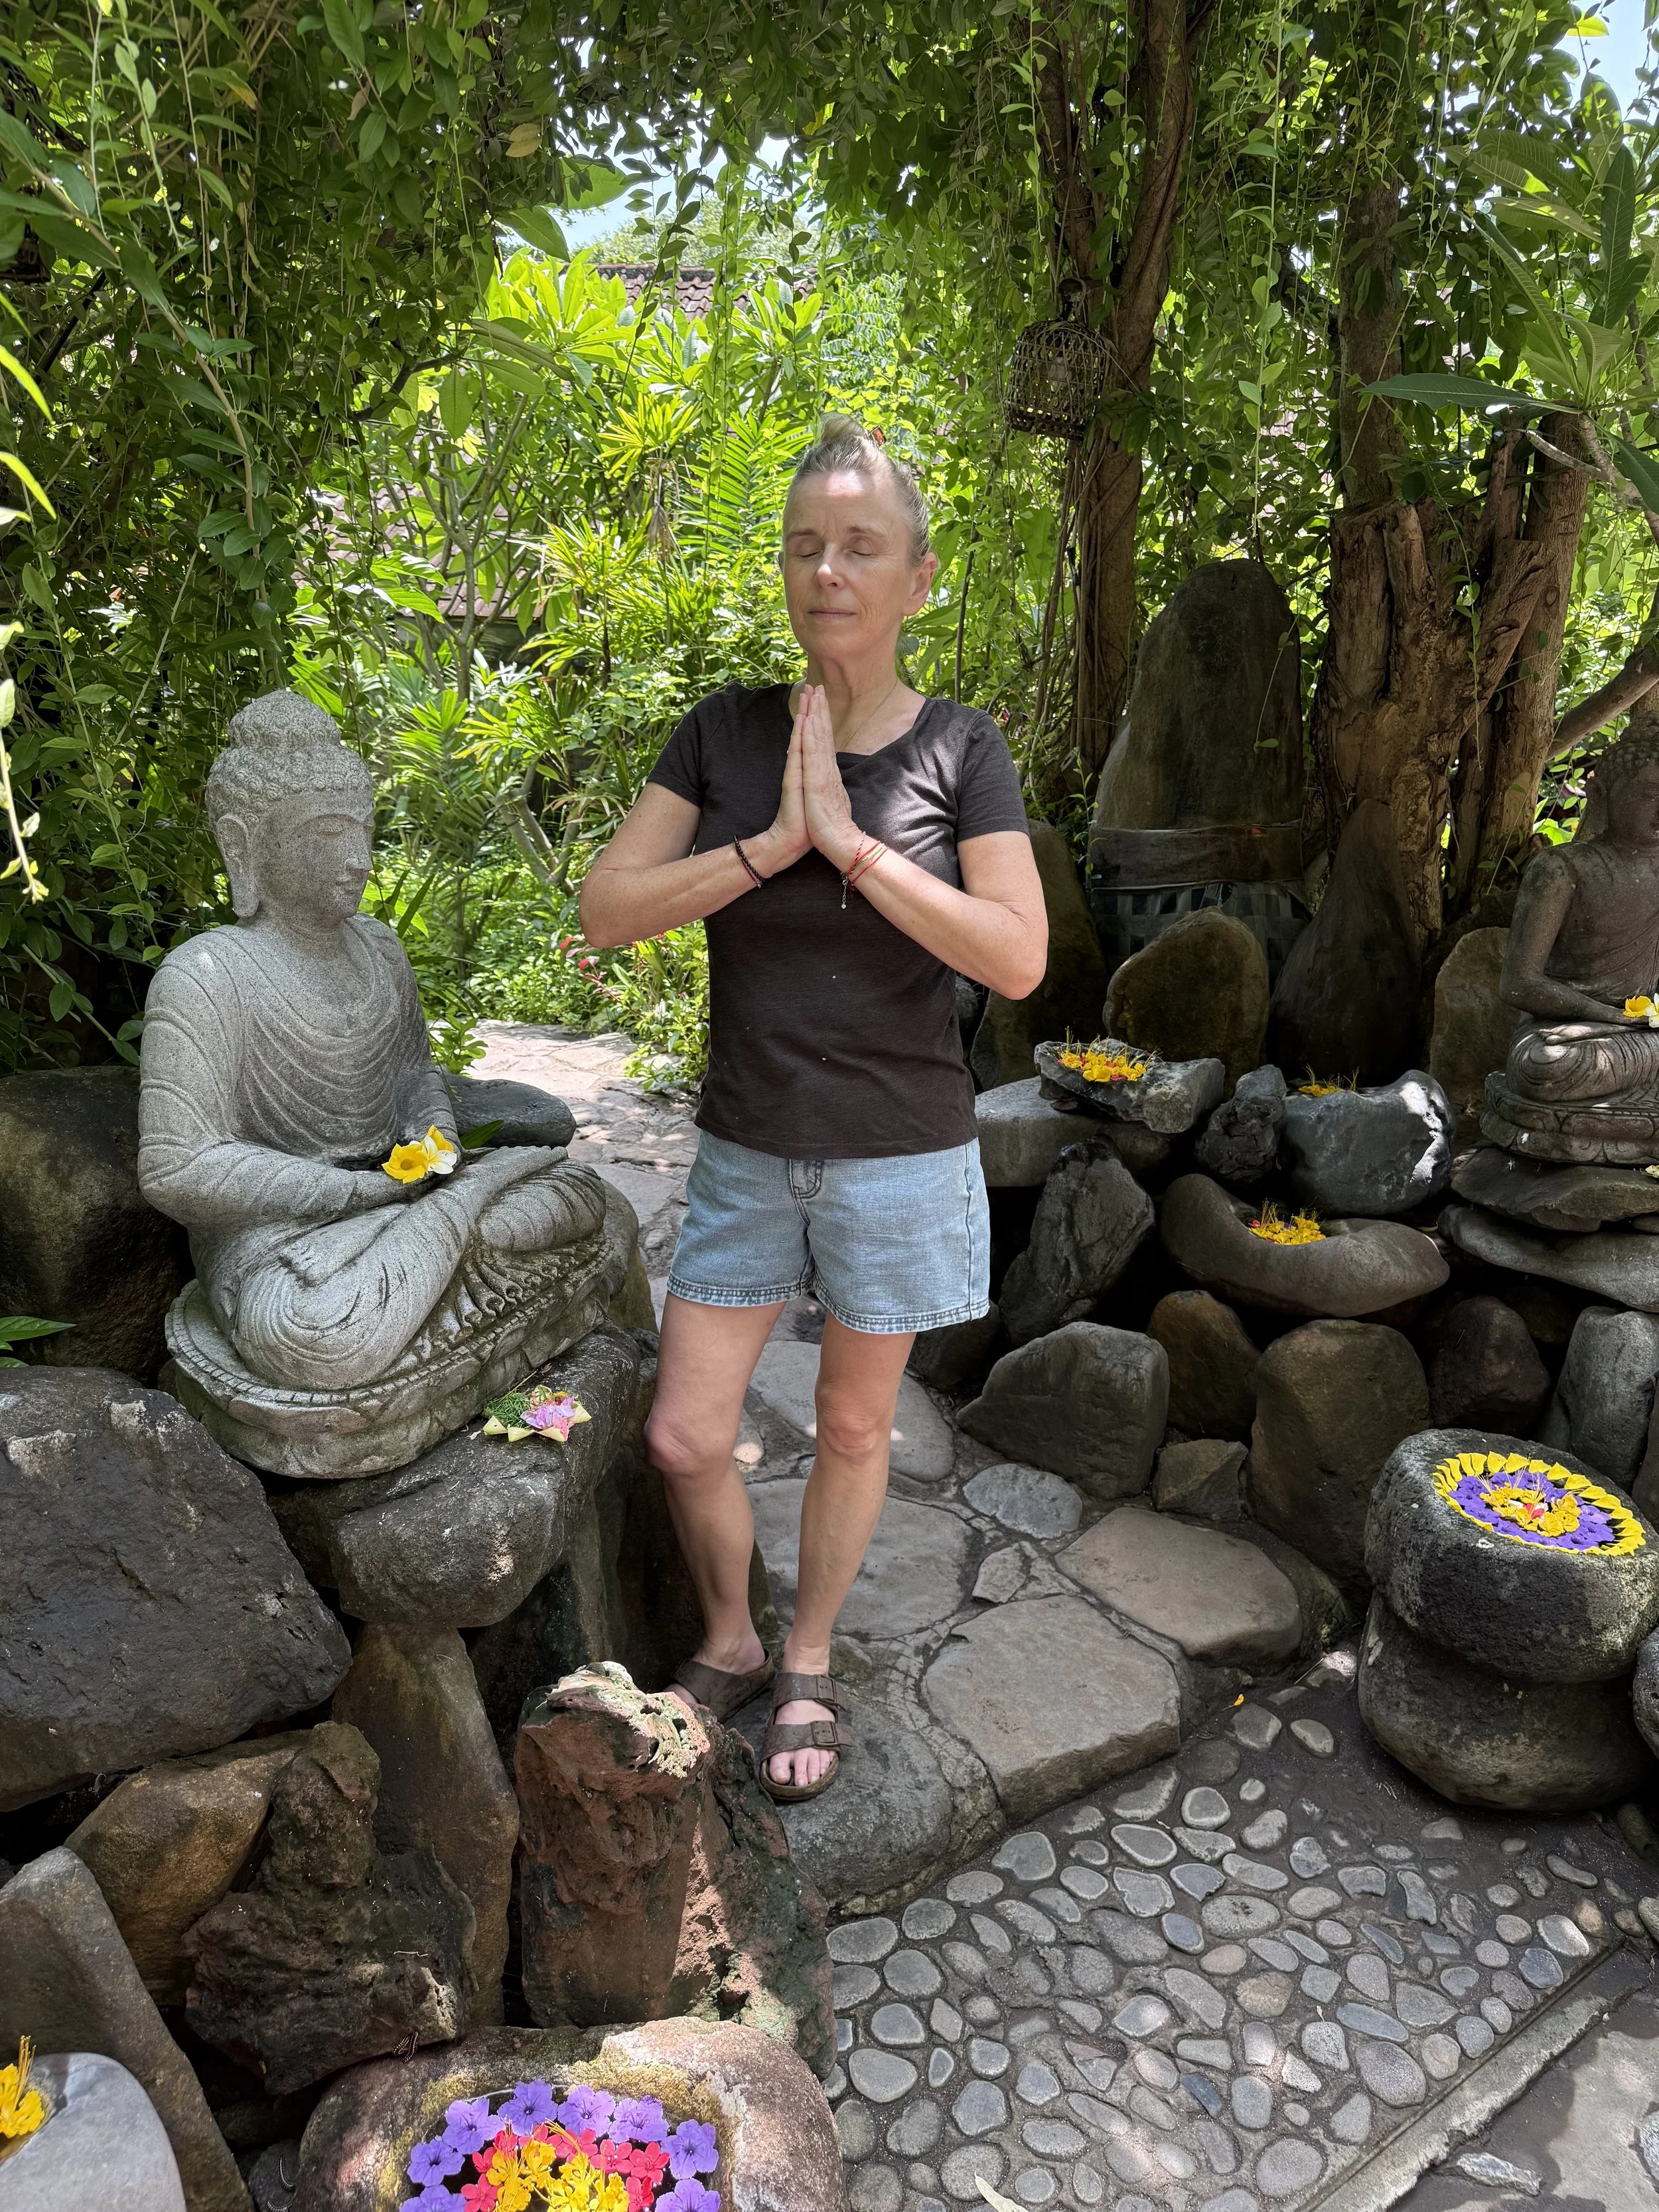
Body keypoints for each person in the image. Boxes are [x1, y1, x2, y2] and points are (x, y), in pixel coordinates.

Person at [580, 415, 1047, 1800]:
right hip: (742, 1145)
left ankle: (807, 1655)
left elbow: (1013, 954)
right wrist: (774, 845)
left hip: (896, 1153)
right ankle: (726, 1632)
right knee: (681, 1431)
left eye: (858, 546)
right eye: (802, 545)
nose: (824, 570)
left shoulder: (961, 750)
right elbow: (607, 909)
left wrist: (851, 846)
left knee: (853, 1427)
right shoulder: (722, 734)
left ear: (916, 577)